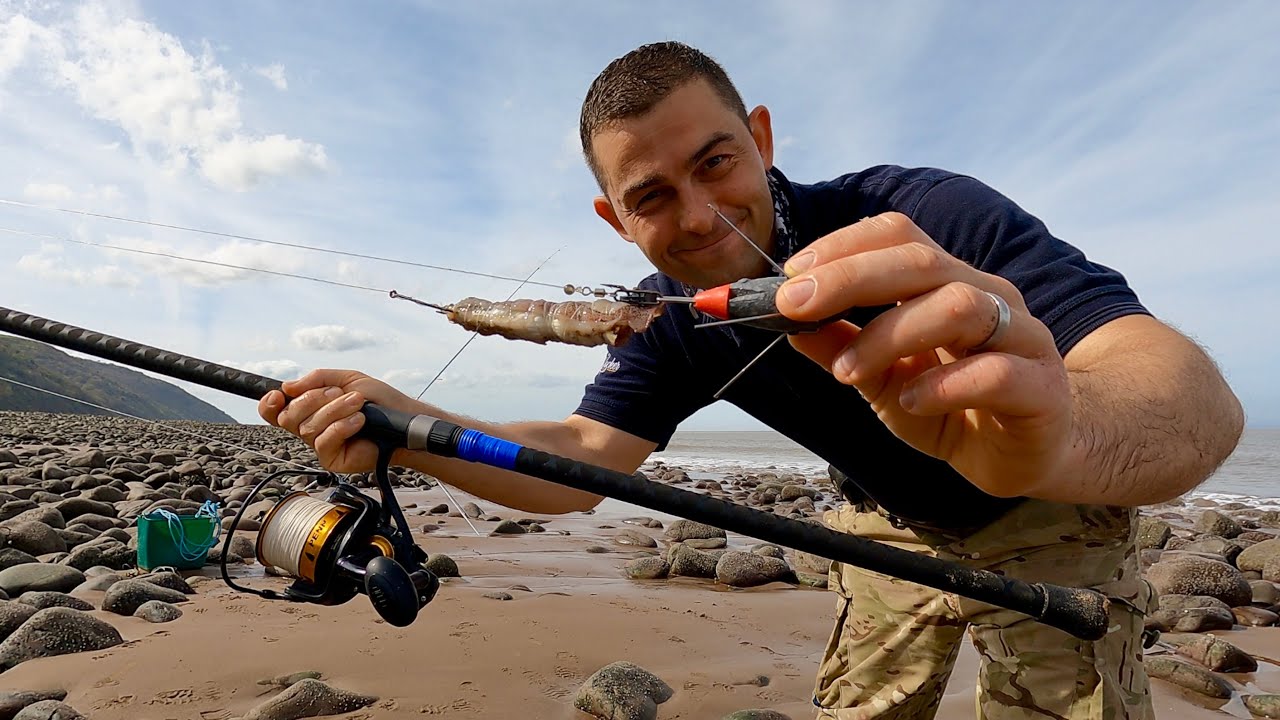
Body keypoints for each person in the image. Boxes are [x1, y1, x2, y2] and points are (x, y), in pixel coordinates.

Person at [259, 41, 1245, 720]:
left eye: (715, 163)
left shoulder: (924, 215)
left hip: (1052, 525)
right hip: (879, 526)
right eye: (650, 197)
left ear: (762, 139)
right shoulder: (665, 318)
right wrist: (406, 423)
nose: (695, 216)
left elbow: (1182, 393)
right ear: (614, 221)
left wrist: (1057, 434)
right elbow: (582, 460)